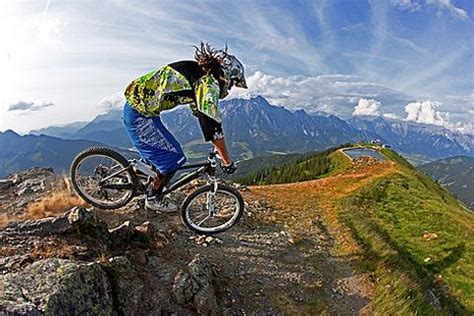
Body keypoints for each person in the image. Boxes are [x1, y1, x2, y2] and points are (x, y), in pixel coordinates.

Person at [122, 42, 247, 212]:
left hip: (140, 109)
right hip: (139, 113)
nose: (230, 89)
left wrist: (216, 145)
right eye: (232, 83)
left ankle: (134, 179)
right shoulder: (208, 84)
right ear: (226, 76)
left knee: (161, 157)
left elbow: (201, 113)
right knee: (175, 158)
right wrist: (227, 161)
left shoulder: (200, 75)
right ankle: (153, 197)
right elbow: (211, 123)